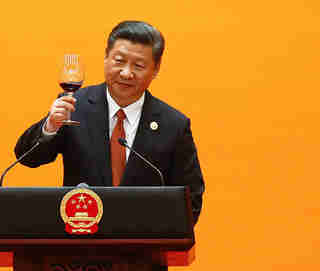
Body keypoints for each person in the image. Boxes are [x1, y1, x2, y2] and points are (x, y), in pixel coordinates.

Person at [15, 20, 204, 224]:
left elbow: (190, 200)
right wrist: (50, 126)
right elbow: (27, 158)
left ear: (156, 69)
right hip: (80, 241)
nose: (126, 73)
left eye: (138, 66)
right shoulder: (75, 107)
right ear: (106, 58)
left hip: (143, 249)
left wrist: (158, 236)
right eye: (119, 61)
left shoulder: (173, 125)